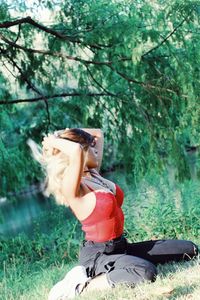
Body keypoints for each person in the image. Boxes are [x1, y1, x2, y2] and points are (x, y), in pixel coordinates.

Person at [29, 128, 198, 300]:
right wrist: (52, 141)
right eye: (91, 148)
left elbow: (98, 133)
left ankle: (124, 264)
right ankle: (82, 288)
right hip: (98, 256)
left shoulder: (94, 174)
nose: (96, 150)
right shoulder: (74, 188)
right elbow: (76, 150)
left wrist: (62, 132)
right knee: (146, 272)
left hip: (122, 248)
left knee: (190, 249)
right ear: (82, 153)